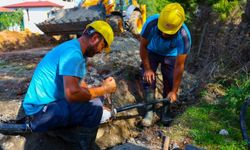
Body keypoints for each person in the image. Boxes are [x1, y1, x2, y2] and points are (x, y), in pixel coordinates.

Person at [22, 20, 116, 149]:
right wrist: (105, 89)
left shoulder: (73, 48)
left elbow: (81, 86)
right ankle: (84, 146)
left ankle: (70, 136)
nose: (101, 51)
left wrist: (98, 95)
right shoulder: (73, 55)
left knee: (96, 100)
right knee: (94, 106)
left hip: (46, 106)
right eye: (103, 46)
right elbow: (72, 94)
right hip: (39, 113)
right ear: (95, 39)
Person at [139, 3, 192, 127]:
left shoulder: (184, 37)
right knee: (148, 79)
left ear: (178, 28)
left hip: (171, 56)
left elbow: (179, 66)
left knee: (169, 80)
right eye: (162, 30)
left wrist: (174, 91)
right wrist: (147, 68)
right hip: (152, 51)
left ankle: (166, 110)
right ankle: (149, 111)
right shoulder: (151, 24)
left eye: (168, 33)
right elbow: (143, 46)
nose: (164, 34)